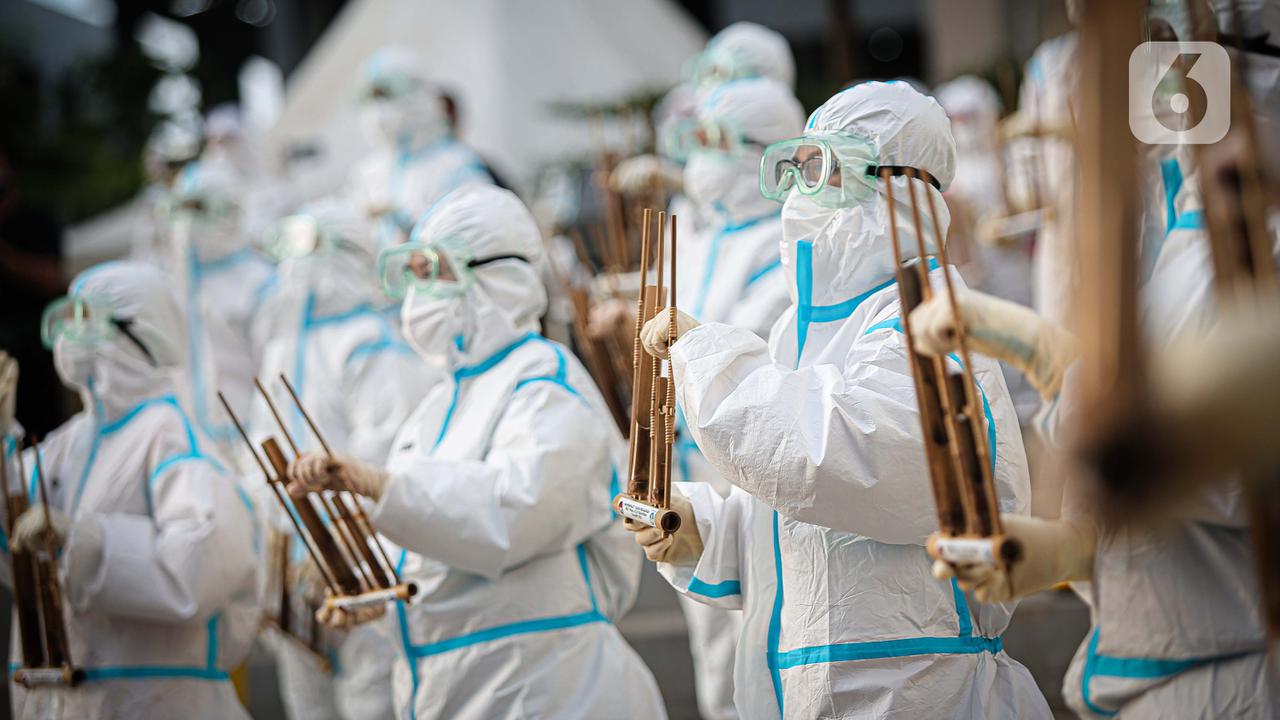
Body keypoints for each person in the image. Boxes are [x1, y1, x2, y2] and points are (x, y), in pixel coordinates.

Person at [632, 81, 1051, 719]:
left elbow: (852, 459)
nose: (800, 192)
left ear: (894, 185)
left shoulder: (932, 315)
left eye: (820, 167)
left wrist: (707, 356)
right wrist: (702, 530)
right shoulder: (799, 331)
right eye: (795, 168)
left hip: (914, 690)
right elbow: (799, 523)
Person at [286, 185, 665, 719]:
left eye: (434, 272)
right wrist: (374, 589)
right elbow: (433, 540)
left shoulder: (545, 384)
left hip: (547, 689)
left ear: (497, 277)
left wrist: (382, 487)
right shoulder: (440, 404)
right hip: (460, 688)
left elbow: (515, 513)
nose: (420, 293)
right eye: (414, 273)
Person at [0, 261, 260, 720]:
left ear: (139, 331)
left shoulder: (170, 437)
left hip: (158, 701)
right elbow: (13, 552)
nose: (71, 337)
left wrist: (85, 541)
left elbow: (196, 571)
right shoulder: (68, 444)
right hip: (71, 700)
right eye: (69, 318)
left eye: (87, 319)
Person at [250, 198, 440, 720]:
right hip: (293, 566)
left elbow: (385, 461)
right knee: (306, 703)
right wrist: (271, 549)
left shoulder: (372, 344)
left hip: (363, 560)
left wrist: (345, 545)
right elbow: (258, 451)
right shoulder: (282, 348)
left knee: (371, 699)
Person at [654, 76, 802, 720]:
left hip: (749, 455)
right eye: (699, 141)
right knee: (710, 639)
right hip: (690, 452)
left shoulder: (787, 239)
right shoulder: (702, 235)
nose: (704, 160)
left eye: (720, 142)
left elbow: (751, 346)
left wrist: (683, 344)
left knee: (762, 627)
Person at [163, 158, 277, 458]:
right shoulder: (179, 286)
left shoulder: (258, 282)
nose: (187, 222)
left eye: (198, 208)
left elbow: (275, 372)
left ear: (229, 209)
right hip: (195, 443)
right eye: (181, 208)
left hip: (254, 441)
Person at [347, 48, 495, 250]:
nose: (378, 111)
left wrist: (414, 226)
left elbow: (481, 231)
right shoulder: (368, 171)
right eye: (370, 98)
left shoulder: (455, 163)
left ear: (419, 95)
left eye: (388, 95)